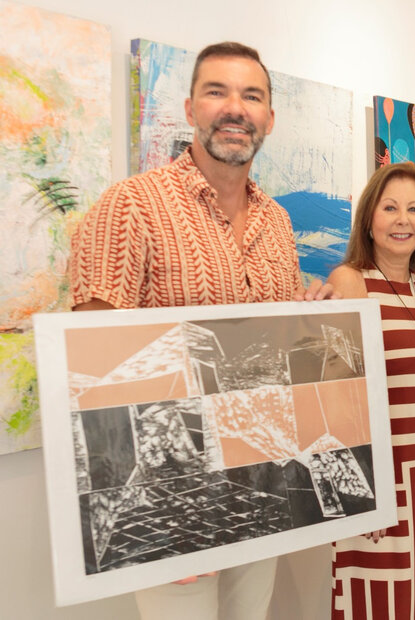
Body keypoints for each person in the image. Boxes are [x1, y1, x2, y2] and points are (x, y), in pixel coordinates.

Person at [69, 42, 333, 620]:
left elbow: (280, 363)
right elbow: (94, 373)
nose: (234, 108)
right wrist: (154, 513)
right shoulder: (131, 206)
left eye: (251, 95)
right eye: (217, 92)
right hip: (168, 500)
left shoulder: (277, 222)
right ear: (191, 108)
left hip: (261, 486)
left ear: (268, 118)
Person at [327, 162, 415, 619]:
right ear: (369, 219)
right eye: (390, 208)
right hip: (377, 477)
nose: (403, 220)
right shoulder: (350, 282)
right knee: (377, 603)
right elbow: (335, 397)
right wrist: (357, 494)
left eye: (414, 209)